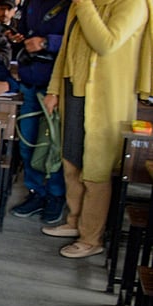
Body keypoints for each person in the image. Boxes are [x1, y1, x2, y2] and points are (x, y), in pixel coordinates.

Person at [41, 0, 151, 258]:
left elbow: (107, 43)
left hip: (105, 98)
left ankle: (91, 237)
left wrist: (85, 6)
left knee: (96, 170)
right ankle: (74, 221)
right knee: (71, 160)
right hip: (74, 92)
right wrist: (54, 89)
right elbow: (66, 49)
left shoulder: (133, 4)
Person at [7, 0, 67, 224]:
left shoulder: (75, 5)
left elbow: (78, 41)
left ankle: (55, 195)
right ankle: (36, 193)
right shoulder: (32, 2)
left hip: (56, 86)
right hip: (30, 81)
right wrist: (18, 37)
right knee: (28, 142)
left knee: (53, 145)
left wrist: (46, 43)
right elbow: (24, 30)